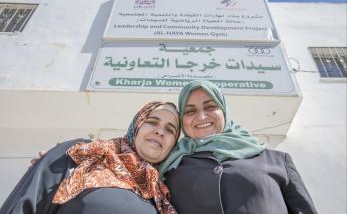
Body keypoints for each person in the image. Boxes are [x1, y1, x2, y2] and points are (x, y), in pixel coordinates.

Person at [159, 80, 318, 214]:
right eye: (190, 111)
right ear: (182, 120)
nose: (201, 116)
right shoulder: (169, 168)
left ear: (224, 111)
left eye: (210, 107)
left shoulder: (276, 160)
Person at [0, 101, 180, 214]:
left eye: (170, 130)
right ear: (137, 126)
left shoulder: (162, 196)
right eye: (152, 122)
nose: (159, 131)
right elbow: (24, 205)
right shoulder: (84, 153)